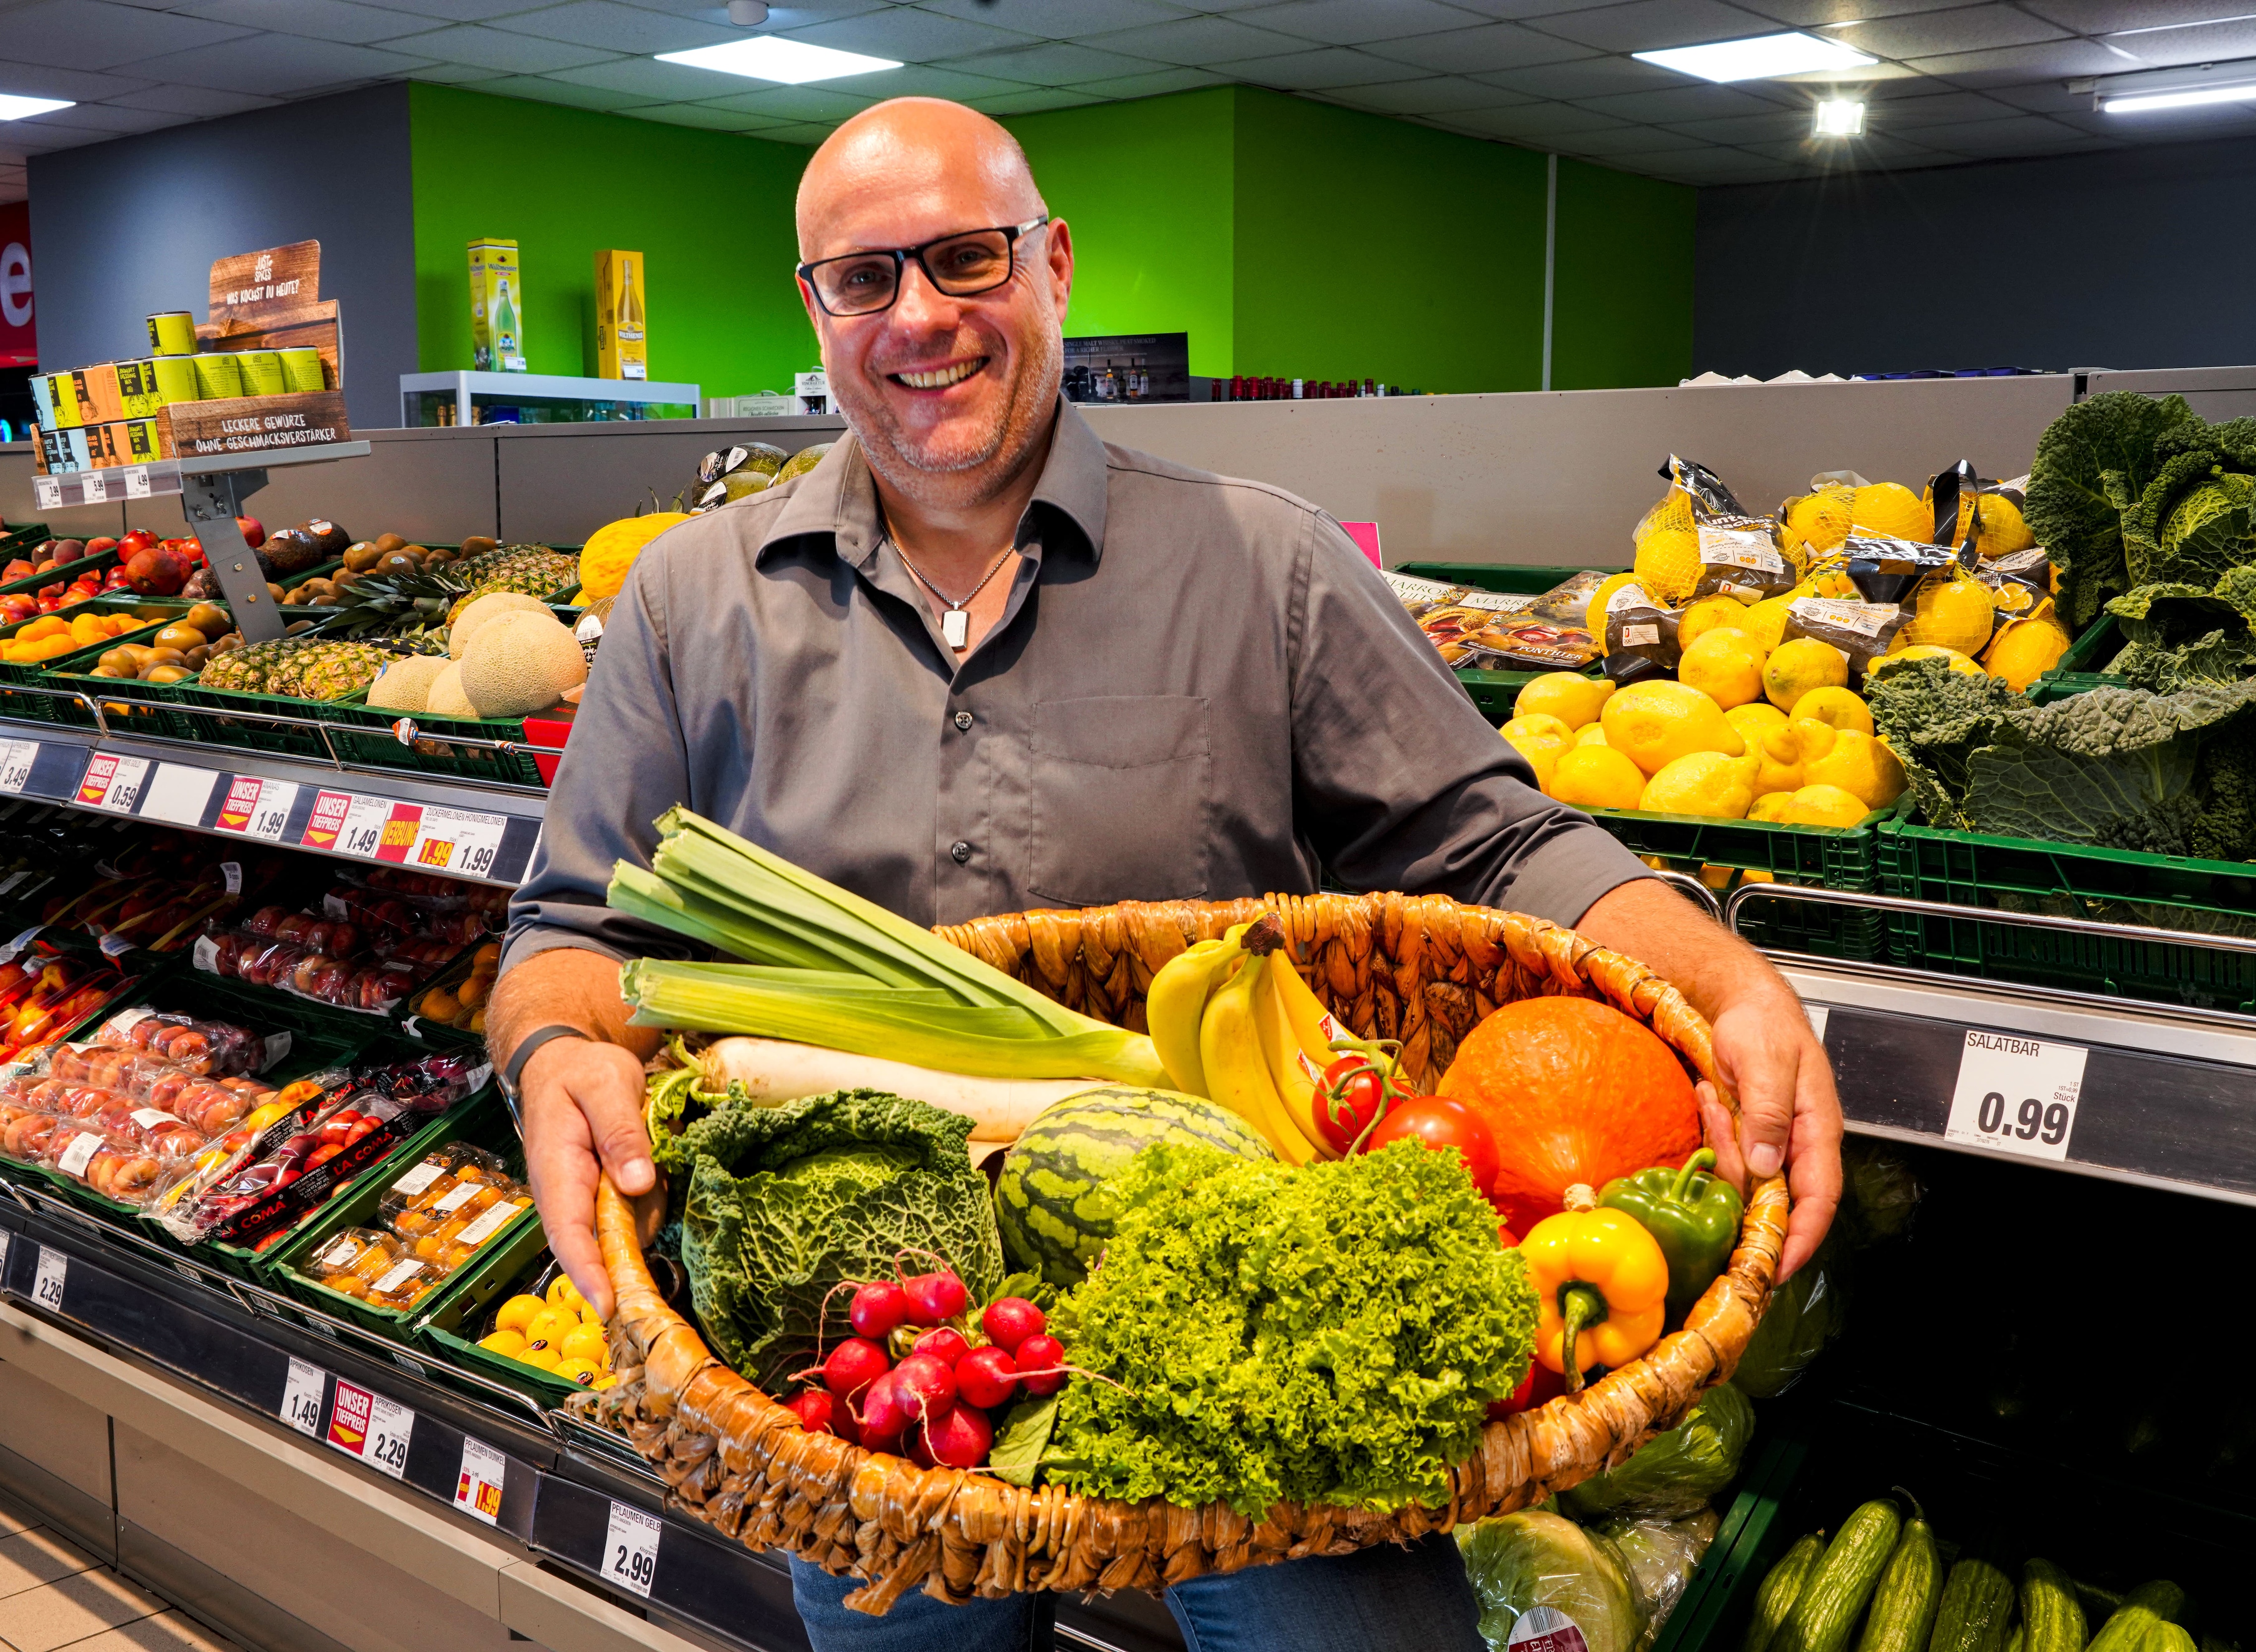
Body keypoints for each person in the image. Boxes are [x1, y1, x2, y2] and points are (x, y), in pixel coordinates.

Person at [490, 96, 1842, 1652]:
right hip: (885, 1369)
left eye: (966, 259)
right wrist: (554, 1051)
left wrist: (1734, 982)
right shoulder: (687, 600)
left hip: (1249, 1307)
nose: (919, 317)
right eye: (865, 280)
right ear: (816, 311)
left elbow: (1502, 844)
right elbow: (572, 925)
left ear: (1054, 267)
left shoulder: (1261, 566)